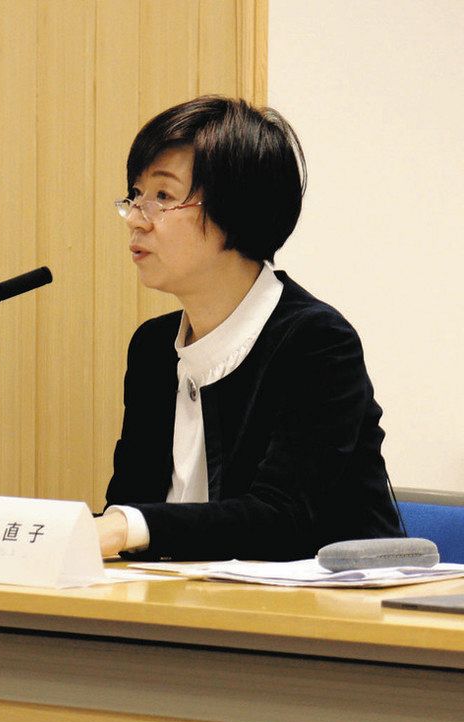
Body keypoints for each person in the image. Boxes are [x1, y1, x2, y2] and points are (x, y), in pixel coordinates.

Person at [96, 95, 401, 561]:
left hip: (323, 601)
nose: (136, 218)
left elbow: (281, 518)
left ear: (234, 208)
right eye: (135, 195)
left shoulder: (316, 342)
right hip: (179, 596)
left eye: (162, 197)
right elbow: (132, 503)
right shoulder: (154, 348)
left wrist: (126, 526)